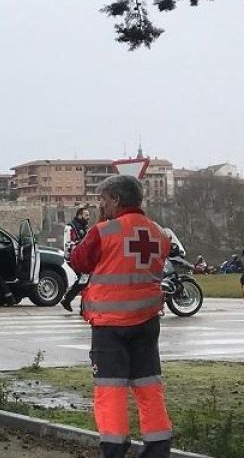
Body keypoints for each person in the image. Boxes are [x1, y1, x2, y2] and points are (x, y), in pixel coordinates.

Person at [70, 175, 172, 458]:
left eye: (103, 200)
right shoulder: (158, 233)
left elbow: (79, 261)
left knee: (111, 390)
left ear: (115, 199)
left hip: (110, 324)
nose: (100, 205)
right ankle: (158, 448)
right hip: (147, 322)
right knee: (149, 385)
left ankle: (114, 450)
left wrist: (98, 224)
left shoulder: (104, 231)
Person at [62, 208, 94, 311]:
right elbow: (68, 244)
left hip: (82, 258)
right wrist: (69, 258)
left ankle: (75, 303)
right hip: (75, 259)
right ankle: (71, 301)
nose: (88, 217)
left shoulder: (83, 227)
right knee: (84, 280)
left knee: (84, 281)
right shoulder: (71, 227)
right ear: (80, 215)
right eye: (86, 215)